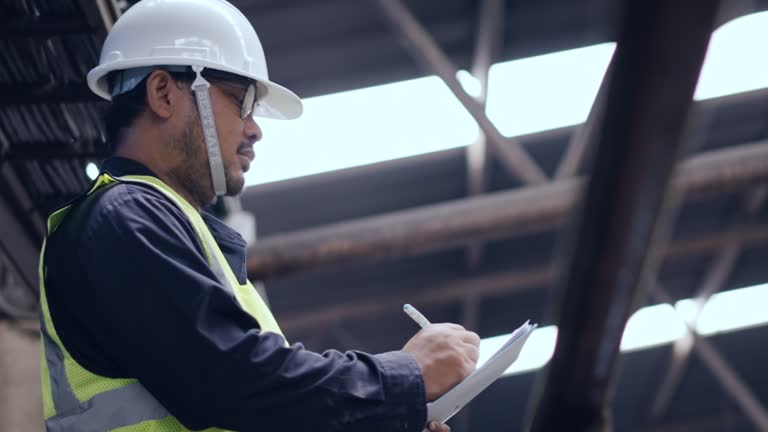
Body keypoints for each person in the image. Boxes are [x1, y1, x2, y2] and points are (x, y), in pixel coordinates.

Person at [38, 0, 481, 431]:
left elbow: (257, 404)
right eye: (239, 100)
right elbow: (238, 381)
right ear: (162, 93)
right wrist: (403, 375)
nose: (255, 129)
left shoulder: (162, 227)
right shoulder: (124, 218)